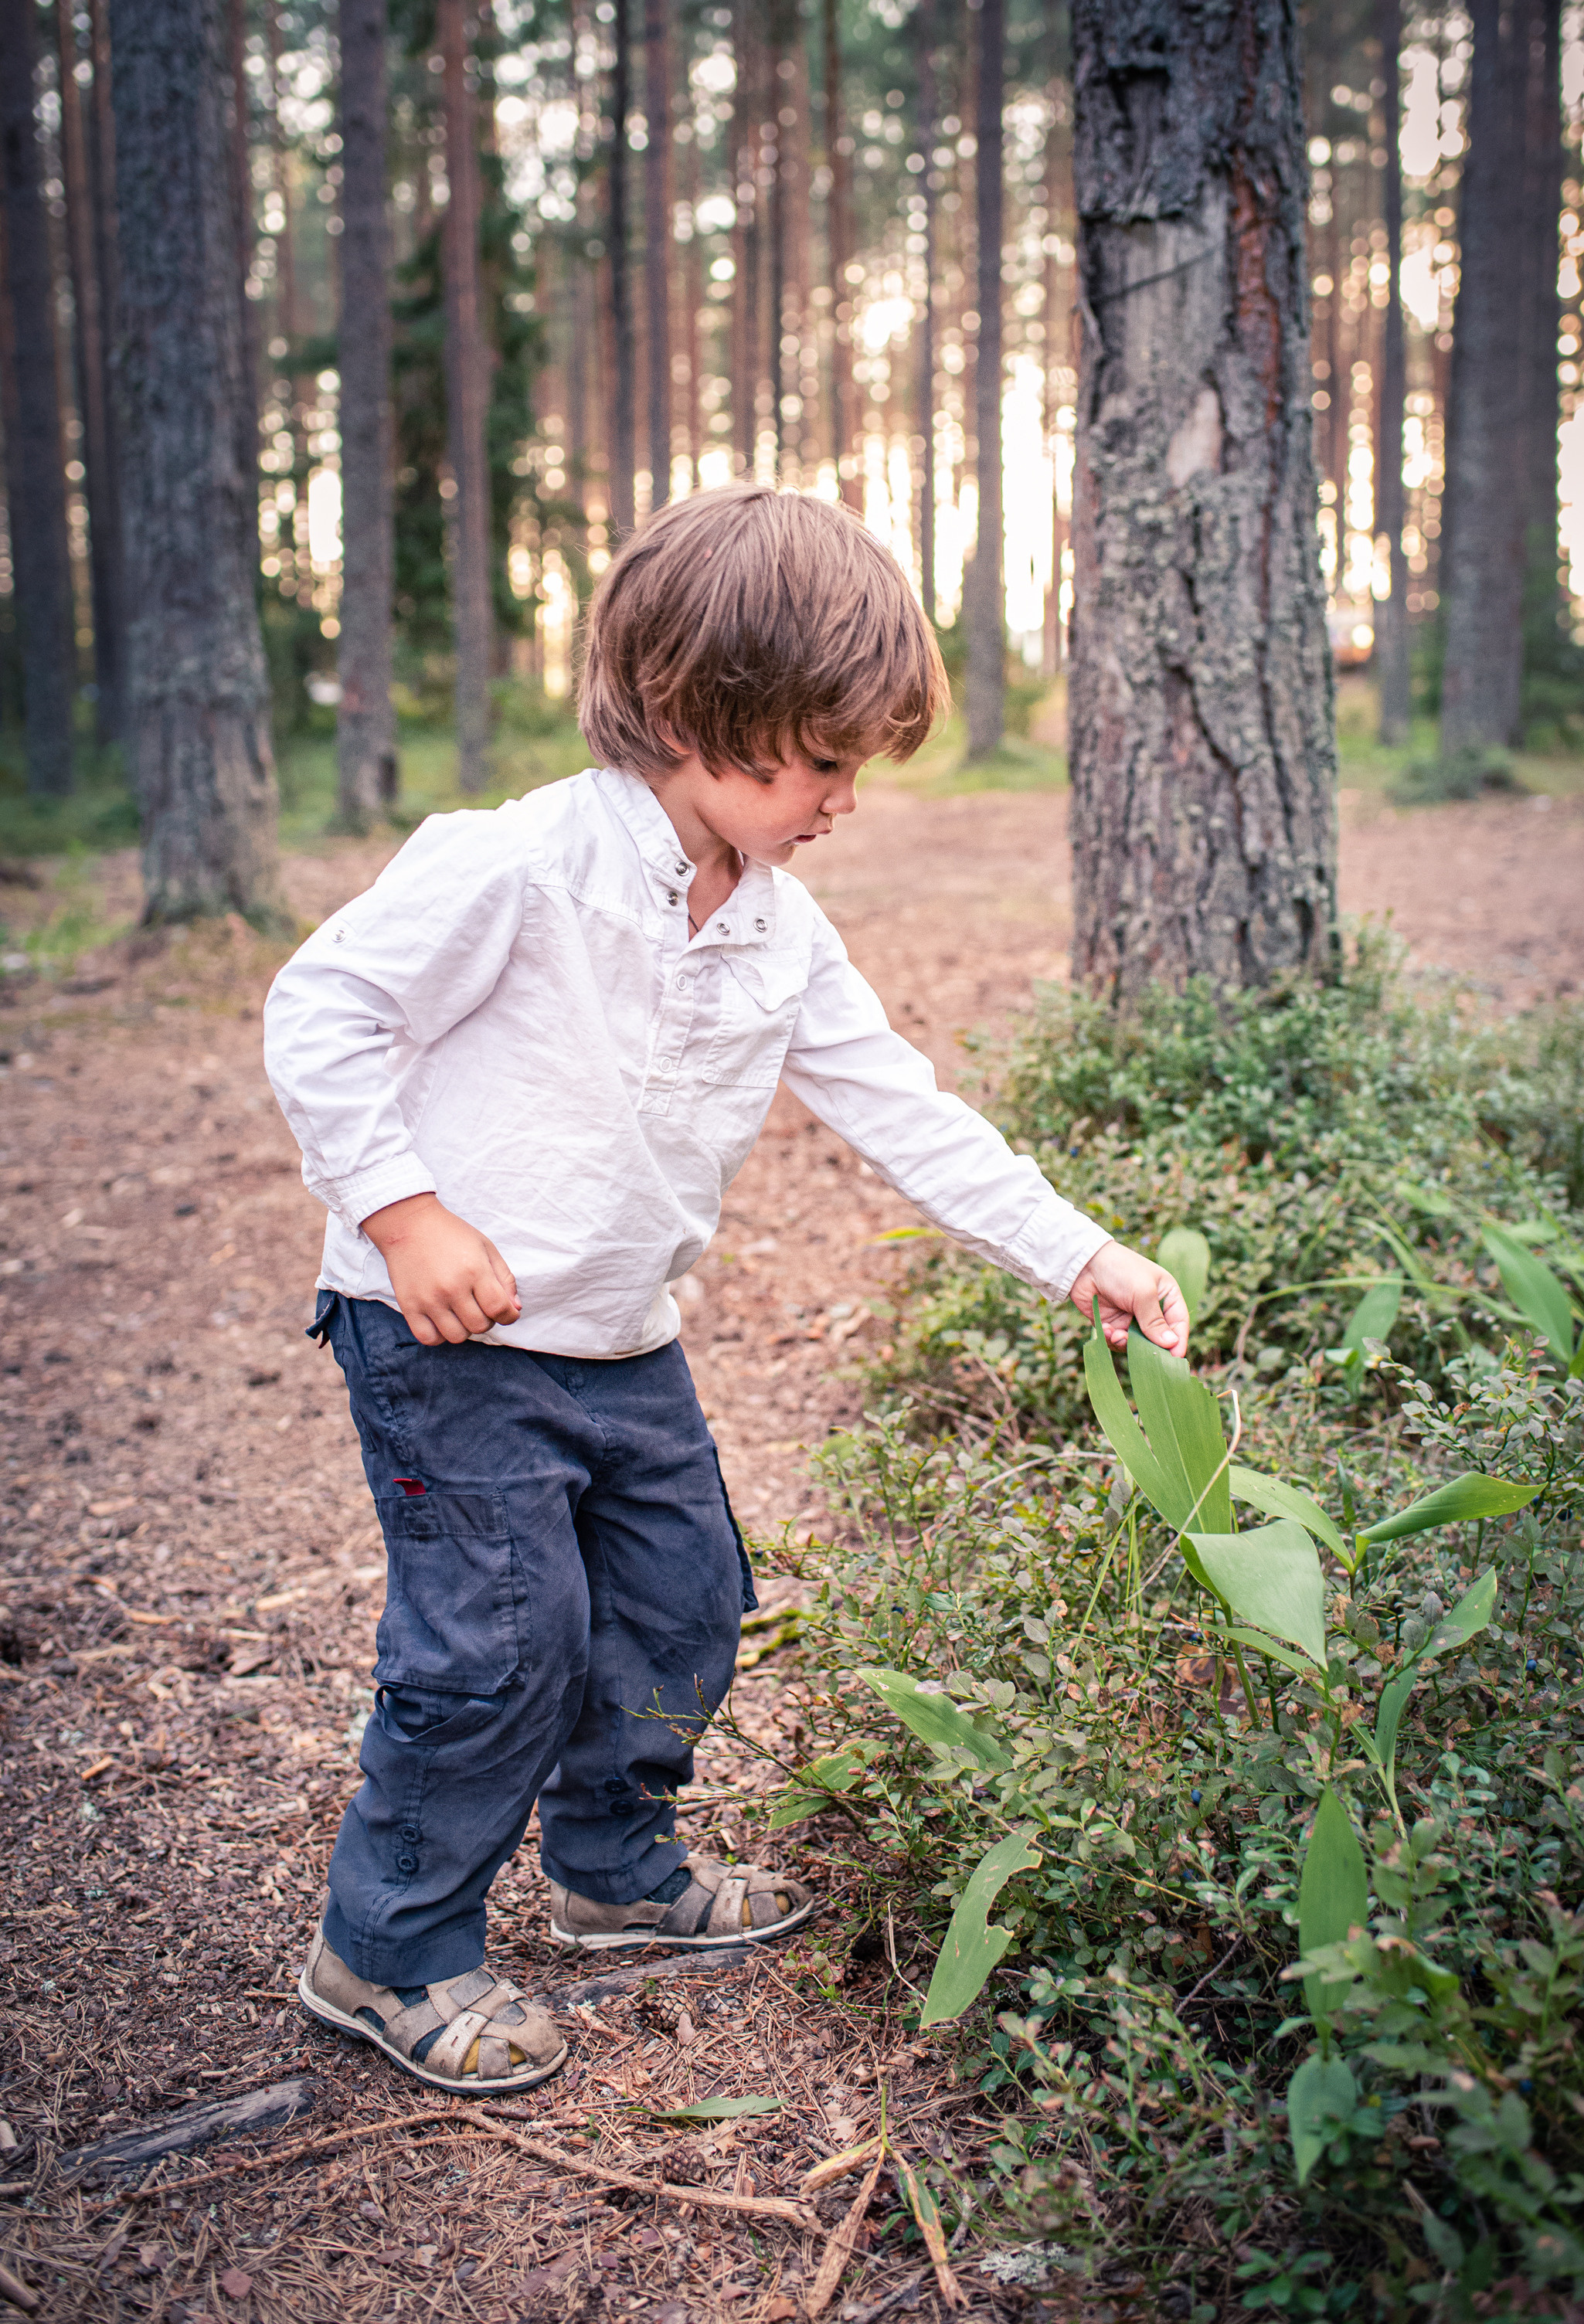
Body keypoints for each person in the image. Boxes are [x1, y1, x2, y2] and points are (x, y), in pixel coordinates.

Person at [263, 483, 1190, 2095]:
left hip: (623, 1338)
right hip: (450, 1330)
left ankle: (612, 1868)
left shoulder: (781, 926)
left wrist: (1077, 1249)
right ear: (700, 714)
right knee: (499, 1640)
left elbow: (902, 1106)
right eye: (821, 758)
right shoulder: (523, 864)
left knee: (685, 1601)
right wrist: (402, 1212)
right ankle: (386, 1948)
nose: (845, 796)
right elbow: (322, 1006)